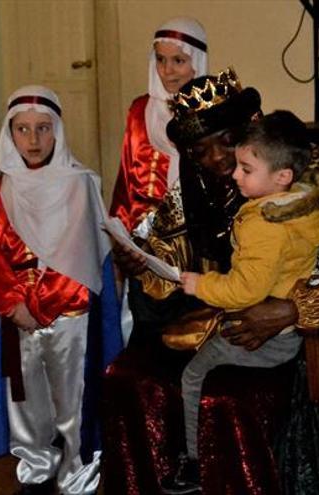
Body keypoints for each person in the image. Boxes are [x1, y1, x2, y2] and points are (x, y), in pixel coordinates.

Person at [102, 69, 319, 494]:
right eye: (201, 151)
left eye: (227, 141)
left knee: (224, 400)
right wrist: (142, 263)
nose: (219, 160)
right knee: (127, 376)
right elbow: (164, 252)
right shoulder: (193, 184)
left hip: (293, 331)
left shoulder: (307, 168)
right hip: (216, 310)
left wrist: (295, 308)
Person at [162, 110, 319, 493]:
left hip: (271, 335)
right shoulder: (304, 202)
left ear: (280, 177)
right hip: (284, 329)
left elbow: (246, 291)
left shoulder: (263, 222)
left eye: (244, 168)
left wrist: (199, 285)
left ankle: (192, 462)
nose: (233, 174)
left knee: (192, 373)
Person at [0, 85, 121, 495]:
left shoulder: (78, 184)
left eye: (43, 129)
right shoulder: (1, 191)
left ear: (58, 131)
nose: (33, 140)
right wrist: (15, 305)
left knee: (73, 400)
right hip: (20, 318)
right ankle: (36, 467)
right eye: (23, 129)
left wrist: (44, 305)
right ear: (9, 133)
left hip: (70, 316)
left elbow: (79, 253)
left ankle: (76, 475)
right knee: (27, 400)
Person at [109, 16, 207, 347]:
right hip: (146, 232)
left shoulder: (211, 111)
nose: (168, 70)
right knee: (147, 313)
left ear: (197, 62)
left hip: (196, 233)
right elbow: (127, 173)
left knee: (191, 314)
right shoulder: (140, 109)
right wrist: (121, 234)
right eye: (161, 60)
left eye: (178, 60)